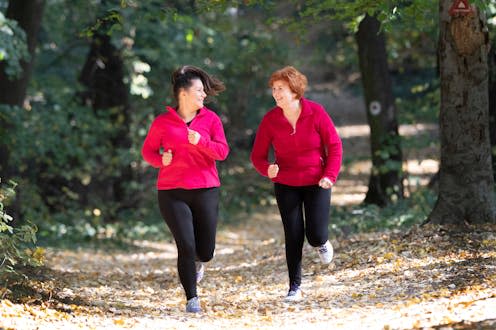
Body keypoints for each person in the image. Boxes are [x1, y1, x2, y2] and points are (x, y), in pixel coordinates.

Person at [250, 66, 342, 302]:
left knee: (315, 234)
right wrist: (267, 169)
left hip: (316, 181)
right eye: (273, 89)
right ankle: (294, 287)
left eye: (280, 88)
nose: (275, 93)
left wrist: (329, 175)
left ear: (294, 90)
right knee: (293, 234)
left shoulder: (316, 112)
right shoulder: (270, 120)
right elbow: (257, 156)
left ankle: (321, 243)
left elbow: (334, 146)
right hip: (286, 182)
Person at [141, 65, 229, 313]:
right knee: (186, 246)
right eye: (199, 90)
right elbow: (148, 151)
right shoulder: (163, 122)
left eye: (204, 90)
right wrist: (161, 161)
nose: (204, 94)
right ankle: (192, 299)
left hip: (206, 189)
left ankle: (200, 263)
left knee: (206, 251)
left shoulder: (210, 120)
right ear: (183, 93)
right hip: (172, 192)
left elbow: (222, 152)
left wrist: (201, 142)